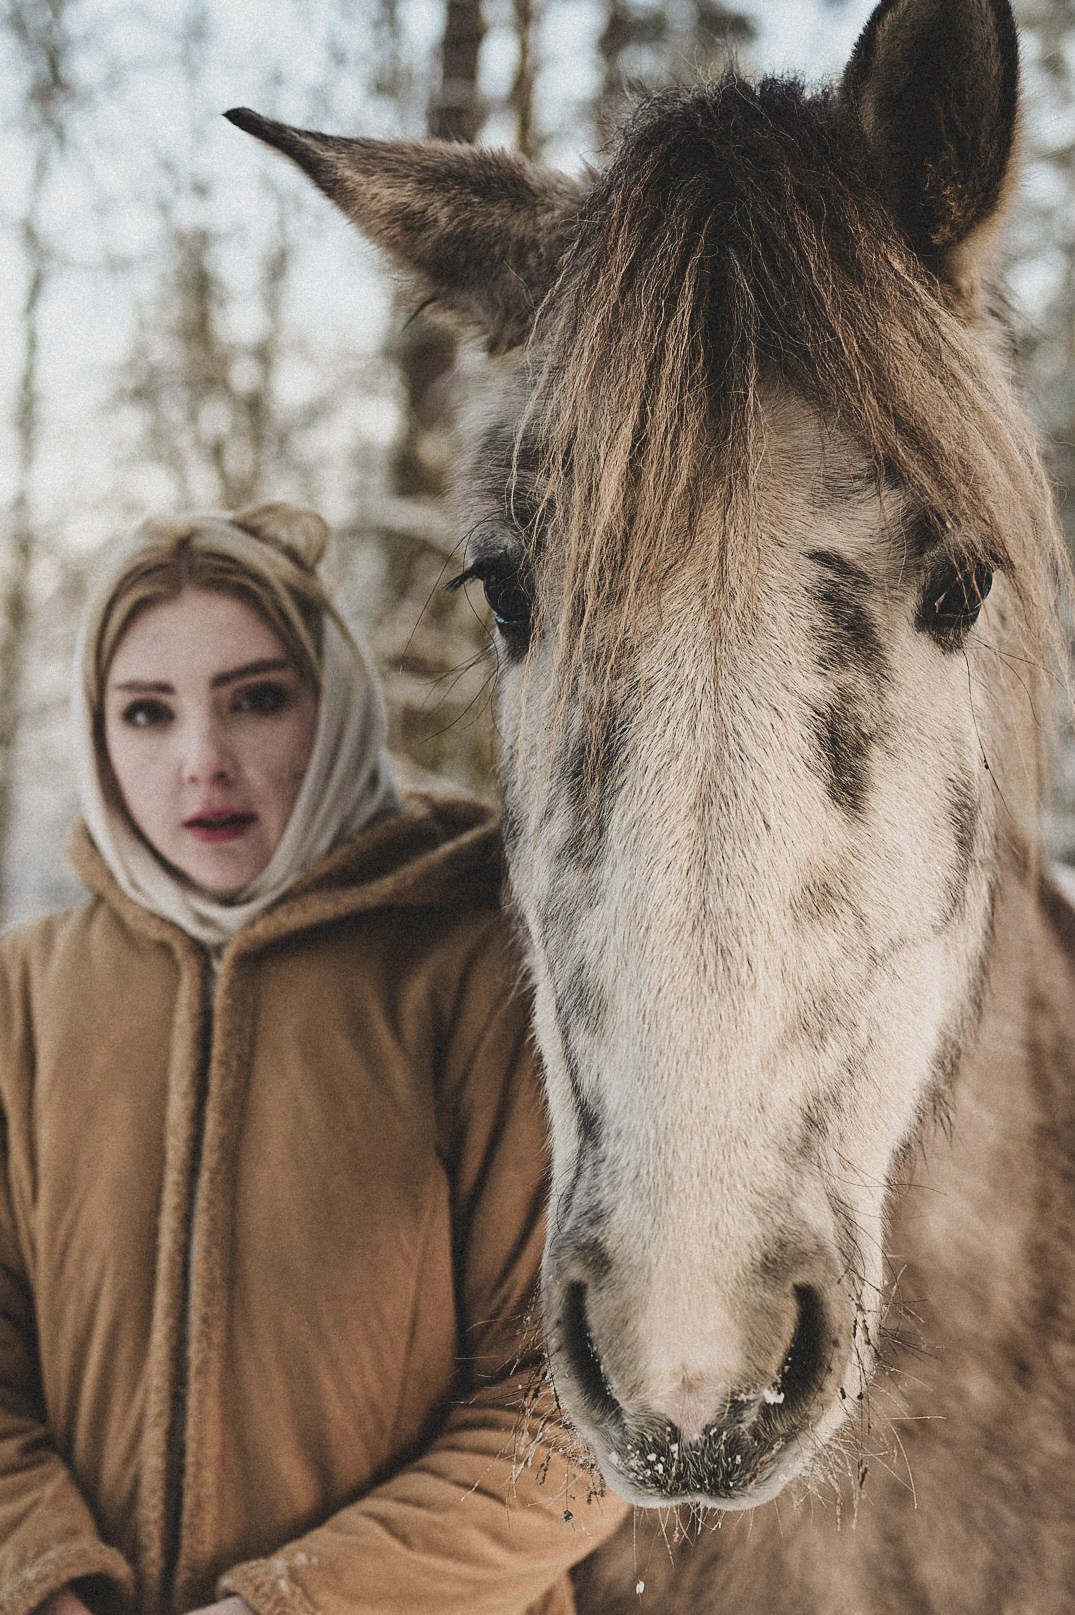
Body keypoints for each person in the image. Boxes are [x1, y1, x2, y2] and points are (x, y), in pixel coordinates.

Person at [0, 503, 619, 1615]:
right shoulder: (28, 991)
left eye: (256, 699)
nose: (201, 763)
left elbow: (573, 1408)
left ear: (334, 703)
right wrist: (44, 1586)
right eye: (147, 712)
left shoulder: (484, 967)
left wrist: (291, 1606)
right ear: (98, 736)